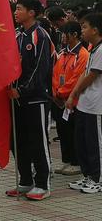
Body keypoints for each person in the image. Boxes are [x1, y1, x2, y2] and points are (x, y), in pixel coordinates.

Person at [6, 0, 53, 201]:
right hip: (15, 98)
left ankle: (43, 184)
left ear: (32, 12)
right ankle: (25, 180)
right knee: (17, 141)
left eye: (19, 9)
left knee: (37, 141)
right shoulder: (17, 36)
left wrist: (23, 89)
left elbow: (40, 69)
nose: (16, 12)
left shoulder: (40, 36)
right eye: (15, 9)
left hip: (35, 98)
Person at [67, 13, 102, 194]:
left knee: (95, 144)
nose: (82, 30)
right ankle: (88, 175)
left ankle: (98, 178)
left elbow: (91, 76)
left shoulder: (101, 49)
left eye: (84, 27)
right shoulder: (92, 48)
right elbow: (84, 74)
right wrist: (73, 95)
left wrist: (75, 93)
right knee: (83, 142)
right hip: (85, 103)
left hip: (96, 105)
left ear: (95, 30)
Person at [52, 21, 88, 175]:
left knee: (74, 132)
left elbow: (77, 78)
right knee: (63, 131)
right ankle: (66, 160)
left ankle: (76, 162)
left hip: (73, 100)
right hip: (59, 99)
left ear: (74, 35)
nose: (62, 37)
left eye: (65, 33)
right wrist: (56, 93)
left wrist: (63, 92)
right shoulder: (62, 53)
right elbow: (55, 74)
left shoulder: (83, 54)